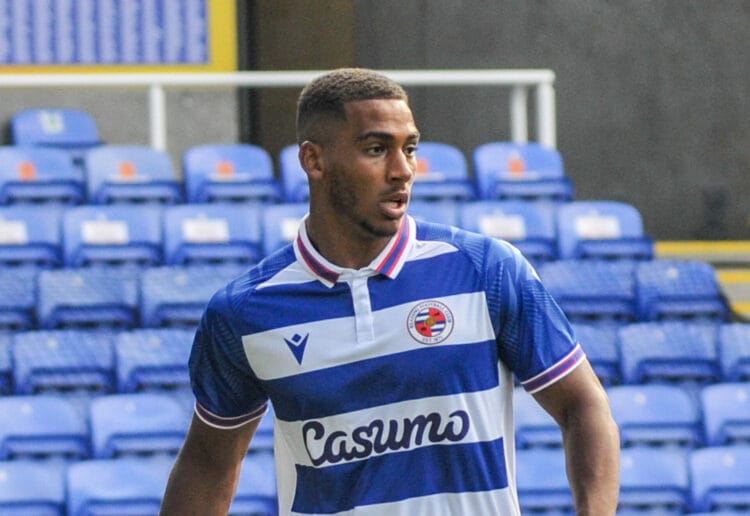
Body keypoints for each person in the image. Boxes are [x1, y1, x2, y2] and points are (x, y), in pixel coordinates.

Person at [161, 67, 620, 515]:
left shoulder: (486, 271)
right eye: (377, 148)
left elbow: (583, 404)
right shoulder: (245, 312)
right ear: (314, 160)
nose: (403, 170)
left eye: (410, 148)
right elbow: (208, 463)